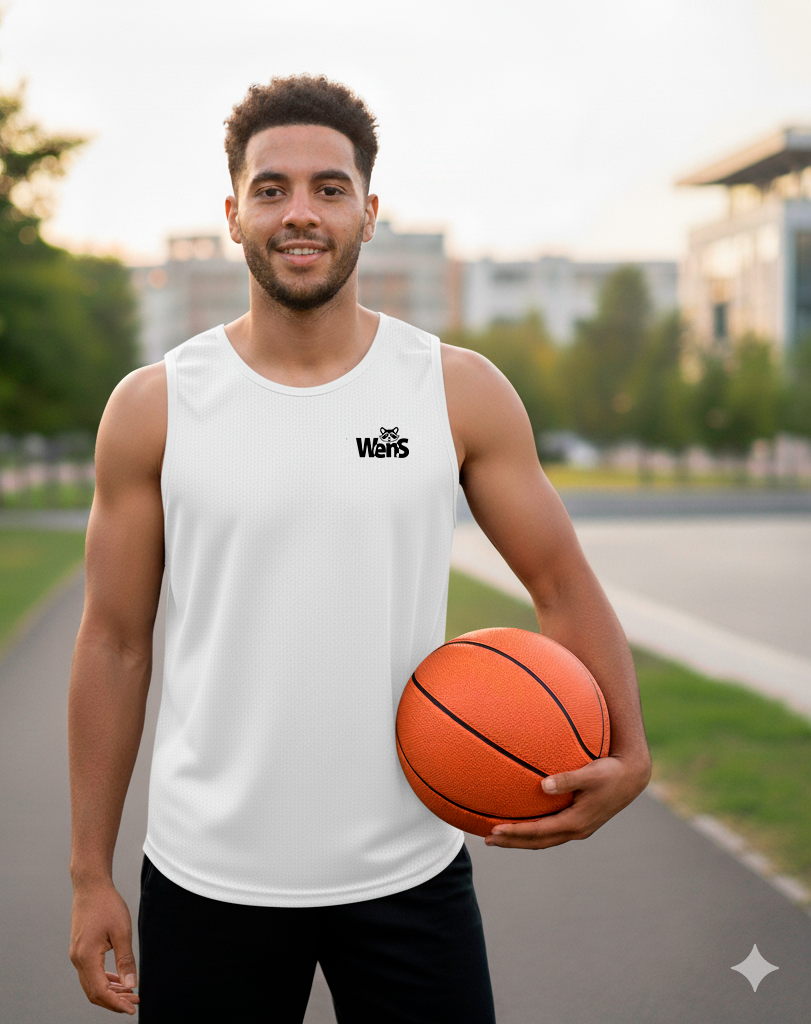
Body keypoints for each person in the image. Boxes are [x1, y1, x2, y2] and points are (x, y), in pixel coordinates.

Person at [67, 75, 652, 1022]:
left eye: (329, 188)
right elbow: (113, 642)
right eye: (272, 189)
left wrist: (631, 752)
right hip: (209, 875)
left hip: (408, 871)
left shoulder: (454, 391)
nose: (301, 213)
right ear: (233, 213)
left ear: (369, 213)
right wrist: (90, 872)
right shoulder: (154, 406)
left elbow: (559, 579)